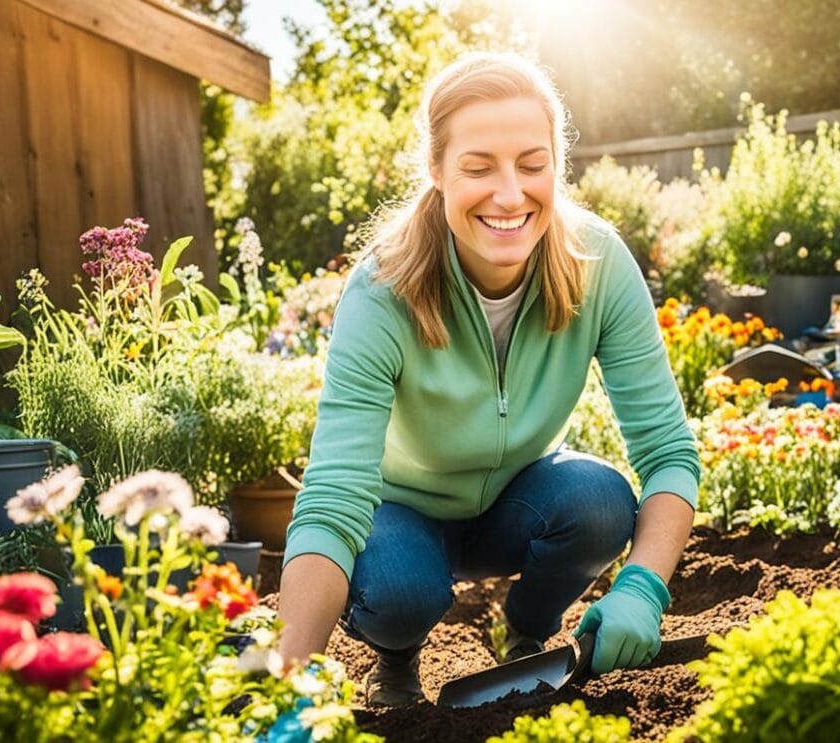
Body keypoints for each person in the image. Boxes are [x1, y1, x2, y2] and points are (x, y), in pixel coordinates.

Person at [275, 51, 700, 708]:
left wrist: (643, 585)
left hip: (516, 501)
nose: (510, 193)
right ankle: (396, 655)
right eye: (478, 168)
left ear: (557, 166)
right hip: (401, 513)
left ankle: (528, 633)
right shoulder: (383, 290)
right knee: (398, 588)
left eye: (532, 165)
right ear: (438, 171)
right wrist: (288, 680)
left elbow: (668, 453)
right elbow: (332, 500)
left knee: (600, 503)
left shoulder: (599, 264)